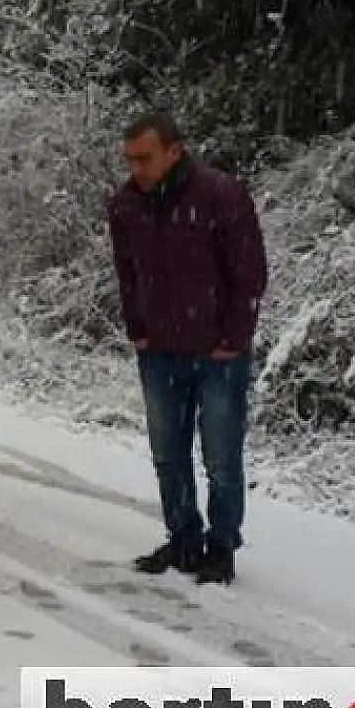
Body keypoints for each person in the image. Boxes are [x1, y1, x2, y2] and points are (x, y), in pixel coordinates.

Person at [108, 111, 268, 585]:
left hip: (218, 353)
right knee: (167, 453)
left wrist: (233, 338)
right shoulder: (124, 205)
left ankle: (221, 548)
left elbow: (249, 272)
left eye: (145, 158)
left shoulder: (221, 195)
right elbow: (126, 271)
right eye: (130, 159)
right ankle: (182, 538)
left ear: (175, 151)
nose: (136, 168)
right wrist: (137, 326)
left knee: (220, 455)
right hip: (158, 350)